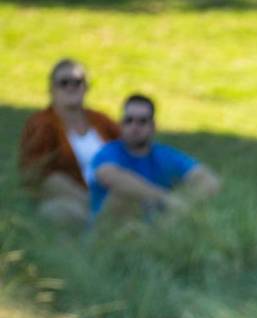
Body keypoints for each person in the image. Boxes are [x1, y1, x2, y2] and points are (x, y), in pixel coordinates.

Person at [88, 94, 220, 222]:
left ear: (153, 126)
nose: (134, 127)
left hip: (153, 229)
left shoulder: (164, 155)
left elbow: (209, 180)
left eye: (142, 121)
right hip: (108, 230)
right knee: (121, 196)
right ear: (121, 124)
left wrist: (184, 205)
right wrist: (165, 199)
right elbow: (107, 174)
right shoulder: (109, 152)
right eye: (129, 120)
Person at [18, 59, 120, 225]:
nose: (71, 87)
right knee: (58, 211)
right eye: (64, 82)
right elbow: (38, 175)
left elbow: (130, 150)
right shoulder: (41, 124)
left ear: (86, 87)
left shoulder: (102, 121)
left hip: (113, 195)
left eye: (77, 82)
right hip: (73, 200)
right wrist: (89, 202)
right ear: (51, 89)